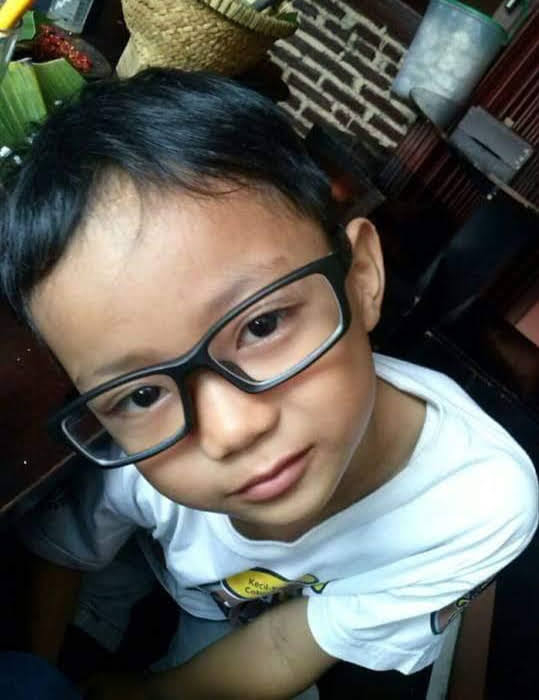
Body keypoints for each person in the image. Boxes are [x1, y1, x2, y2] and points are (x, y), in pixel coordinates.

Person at [1, 69, 537, 700]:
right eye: (143, 393)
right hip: (137, 571)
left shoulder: (477, 506)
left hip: (250, 622)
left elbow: (286, 646)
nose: (232, 430)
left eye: (261, 324)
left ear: (361, 277)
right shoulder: (134, 449)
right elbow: (66, 554)